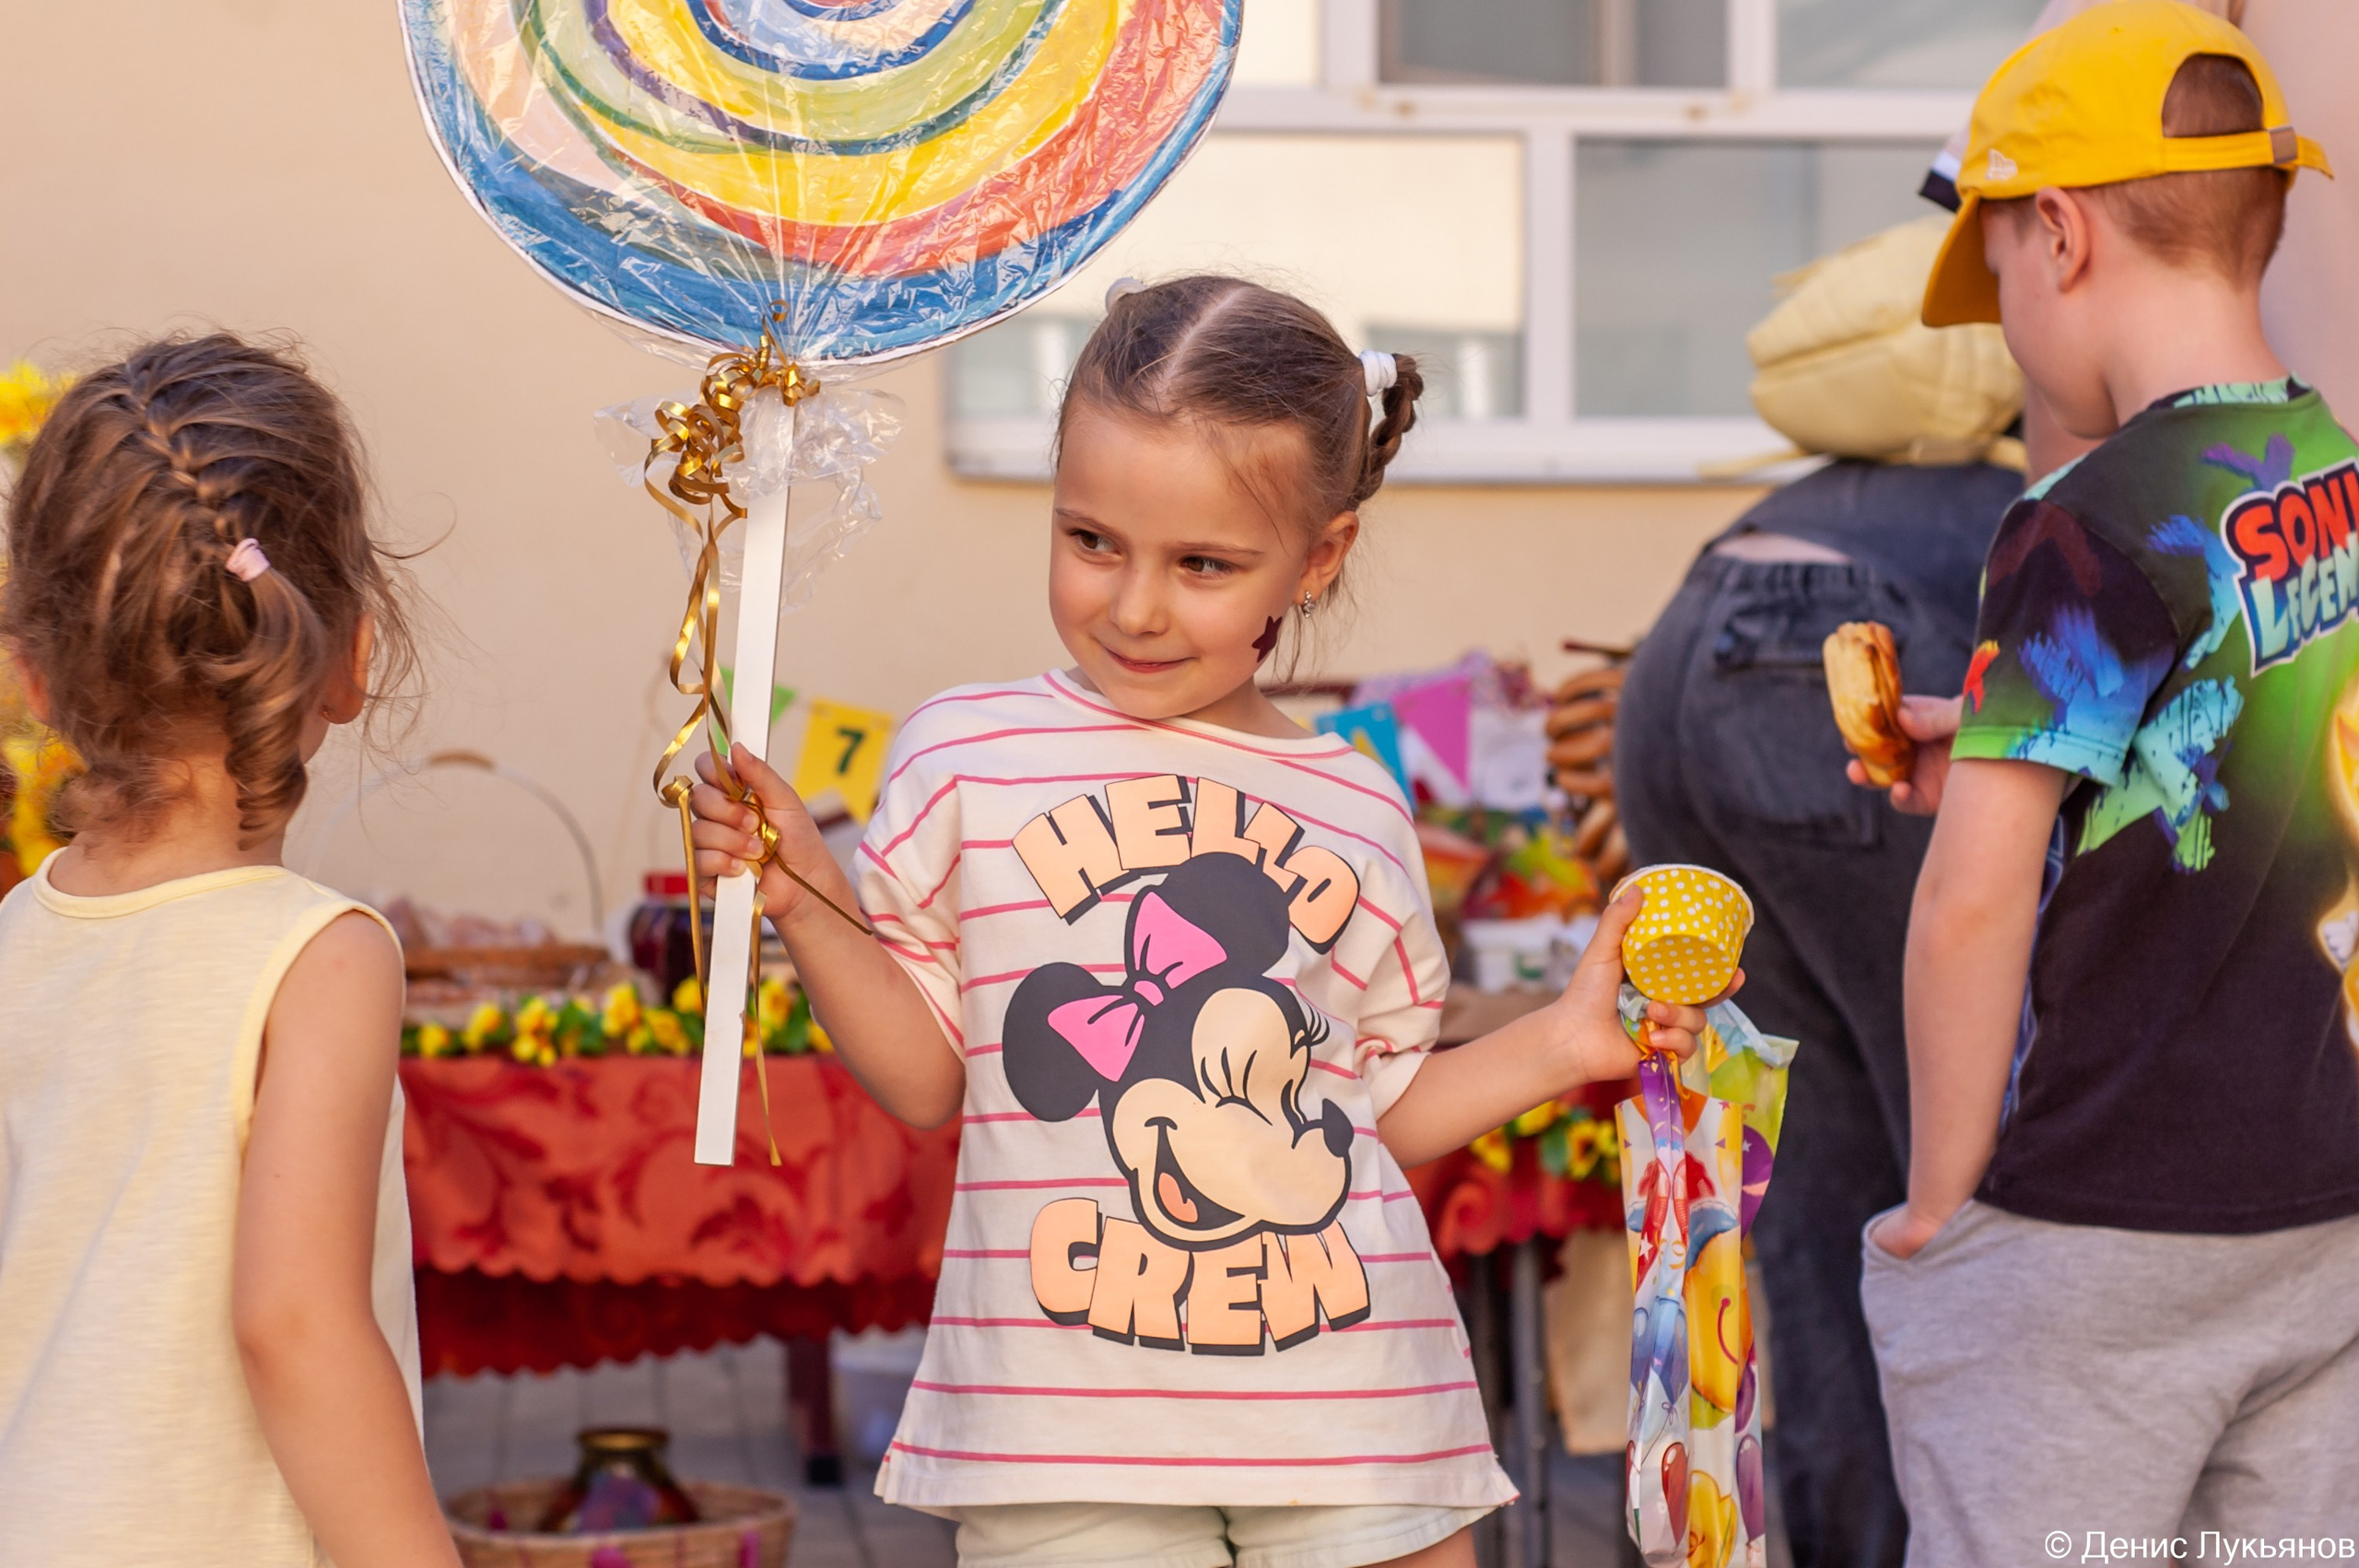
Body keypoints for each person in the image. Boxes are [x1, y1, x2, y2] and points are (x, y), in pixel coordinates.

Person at [687, 275, 1727, 1568]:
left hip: (1356, 1418)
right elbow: (925, 1078)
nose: (1134, 606)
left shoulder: (1357, 799)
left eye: (1203, 566)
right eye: (1092, 541)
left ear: (1320, 554)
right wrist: (801, 899)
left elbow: (1372, 1112)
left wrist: (1567, 1045)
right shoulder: (961, 755)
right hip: (1059, 1439)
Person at [1856, 4, 2359, 1557]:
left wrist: (1945, 1206)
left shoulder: (2084, 516)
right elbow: (2279, 751)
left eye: (1995, 275)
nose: (2006, 326)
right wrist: (2034, 753)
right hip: (2320, 1201)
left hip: (2102, 1215)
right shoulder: (2330, 475)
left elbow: (1970, 905)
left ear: (2059, 237)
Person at [1613, 221, 2046, 1565]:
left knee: (1814, 1192)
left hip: (1681, 655)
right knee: (1959, 1175)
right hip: (1835, 670)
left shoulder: (1820, 485)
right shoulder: (2052, 496)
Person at [0, 334, 457, 1568]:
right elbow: (293, 1321)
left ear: (33, 675)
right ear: (348, 653)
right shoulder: (319, 958)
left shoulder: (12, 947)